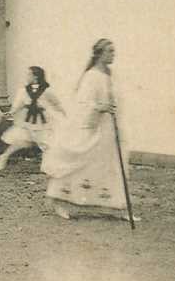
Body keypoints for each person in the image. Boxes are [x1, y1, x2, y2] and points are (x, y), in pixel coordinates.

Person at [42, 39, 139, 222]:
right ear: (99, 54)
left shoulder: (112, 74)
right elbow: (82, 102)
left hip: (111, 127)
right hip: (95, 126)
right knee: (83, 160)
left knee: (112, 165)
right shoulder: (91, 76)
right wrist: (99, 107)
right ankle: (59, 199)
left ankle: (117, 205)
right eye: (109, 51)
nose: (113, 54)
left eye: (114, 51)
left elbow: (118, 99)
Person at [0, 66, 66, 172]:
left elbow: (56, 103)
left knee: (47, 143)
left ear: (36, 77)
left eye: (29, 74)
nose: (27, 77)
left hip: (42, 120)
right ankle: (4, 157)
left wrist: (63, 113)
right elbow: (18, 105)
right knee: (21, 141)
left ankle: (48, 166)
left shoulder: (47, 90)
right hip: (27, 120)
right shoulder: (23, 91)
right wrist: (11, 112)